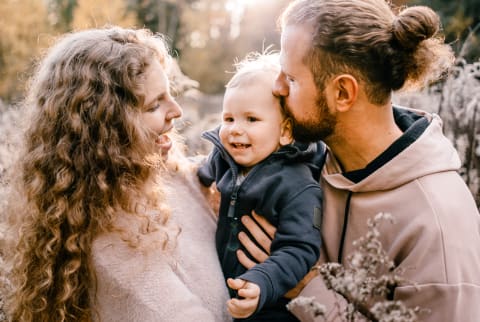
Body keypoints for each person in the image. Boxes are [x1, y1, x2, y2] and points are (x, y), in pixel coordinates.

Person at [237, 0, 480, 321]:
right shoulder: (311, 161)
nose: (277, 87)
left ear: (342, 93)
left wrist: (307, 289)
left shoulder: (437, 227)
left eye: (292, 79)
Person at [4, 26, 231, 322]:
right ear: (107, 132)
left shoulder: (175, 175)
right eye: (154, 104)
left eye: (170, 94)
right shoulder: (112, 244)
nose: (176, 110)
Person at [197, 52, 324, 321]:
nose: (234, 129)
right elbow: (198, 175)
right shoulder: (224, 158)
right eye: (229, 118)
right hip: (218, 290)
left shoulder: (297, 186)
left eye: (251, 119)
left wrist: (262, 282)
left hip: (269, 303)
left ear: (285, 131)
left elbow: (299, 250)